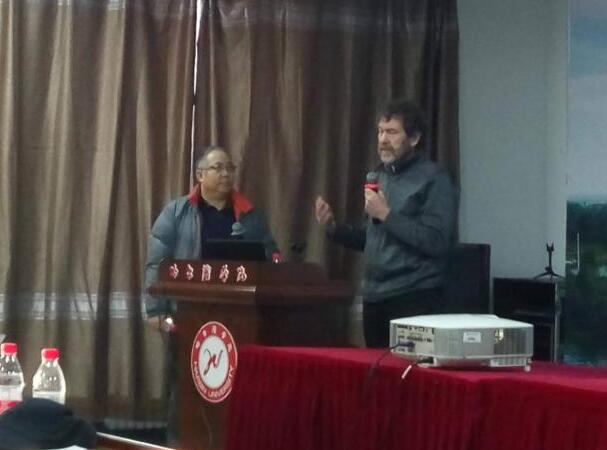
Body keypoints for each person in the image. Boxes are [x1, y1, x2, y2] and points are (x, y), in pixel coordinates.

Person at [315, 99, 457, 348]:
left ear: (414, 138)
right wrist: (333, 228)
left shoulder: (435, 179)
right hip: (375, 297)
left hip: (414, 297)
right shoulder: (378, 175)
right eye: (380, 132)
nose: (382, 139)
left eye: (391, 132)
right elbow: (373, 238)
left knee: (406, 371)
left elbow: (436, 241)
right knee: (377, 371)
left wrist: (387, 214)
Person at [144, 145, 279, 322]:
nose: (226, 174)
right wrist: (156, 310)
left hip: (240, 311)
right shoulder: (176, 213)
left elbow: (270, 258)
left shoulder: (250, 215)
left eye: (230, 168)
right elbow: (157, 263)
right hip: (189, 308)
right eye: (218, 168)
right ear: (200, 175)